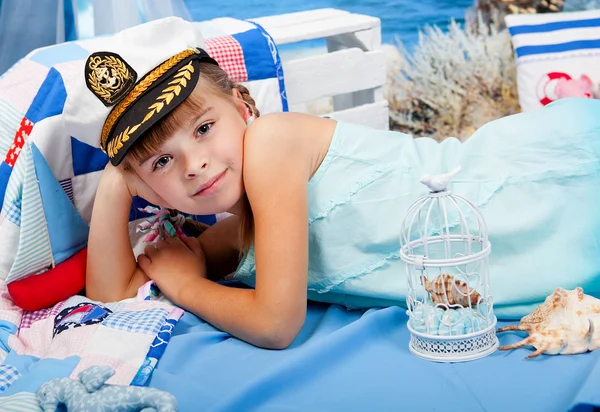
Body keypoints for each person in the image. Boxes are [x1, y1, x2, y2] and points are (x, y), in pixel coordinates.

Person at [68, 18, 600, 349]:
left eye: (205, 129)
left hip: (530, 186)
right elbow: (112, 296)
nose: (193, 165)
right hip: (495, 253)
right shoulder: (232, 240)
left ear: (244, 105)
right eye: (161, 163)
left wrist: (187, 287)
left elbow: (277, 325)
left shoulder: (274, 143)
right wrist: (119, 184)